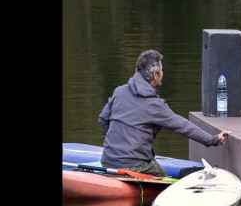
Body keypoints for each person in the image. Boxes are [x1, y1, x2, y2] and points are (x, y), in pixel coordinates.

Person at [99, 49, 231, 178]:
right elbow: (184, 127)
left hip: (107, 160)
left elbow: (103, 119)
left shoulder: (119, 91)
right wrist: (213, 140)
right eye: (161, 69)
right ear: (155, 75)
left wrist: (119, 142)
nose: (163, 72)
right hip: (134, 166)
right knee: (164, 177)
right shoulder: (154, 104)